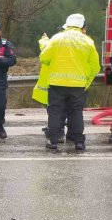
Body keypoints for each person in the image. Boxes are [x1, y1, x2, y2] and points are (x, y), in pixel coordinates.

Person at [40, 13, 100, 151]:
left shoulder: (56, 38)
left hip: (57, 84)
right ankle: (79, 142)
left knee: (55, 112)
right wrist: (86, 82)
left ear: (67, 25)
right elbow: (95, 67)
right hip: (78, 85)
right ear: (83, 27)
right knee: (76, 113)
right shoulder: (87, 41)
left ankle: (53, 141)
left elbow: (44, 58)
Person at [33, 32, 68, 143]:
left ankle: (59, 132)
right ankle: (56, 130)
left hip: (57, 83)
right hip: (56, 83)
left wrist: (44, 39)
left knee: (58, 111)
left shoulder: (55, 45)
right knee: (56, 110)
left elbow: (45, 48)